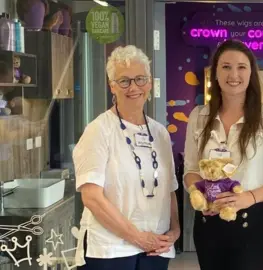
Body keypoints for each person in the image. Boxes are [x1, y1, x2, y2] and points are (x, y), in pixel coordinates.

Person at [183, 39, 263, 270]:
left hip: (249, 220)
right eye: (226, 66)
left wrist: (249, 198)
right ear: (215, 73)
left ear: (251, 73)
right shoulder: (198, 116)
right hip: (208, 220)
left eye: (241, 67)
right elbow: (191, 170)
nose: (234, 74)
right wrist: (200, 195)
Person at [72, 45, 180, 270]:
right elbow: (92, 197)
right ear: (112, 86)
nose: (134, 87)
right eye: (124, 81)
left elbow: (169, 189)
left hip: (155, 248)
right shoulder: (99, 130)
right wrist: (137, 237)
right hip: (110, 251)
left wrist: (175, 230)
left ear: (149, 83)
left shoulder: (159, 132)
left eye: (140, 79)